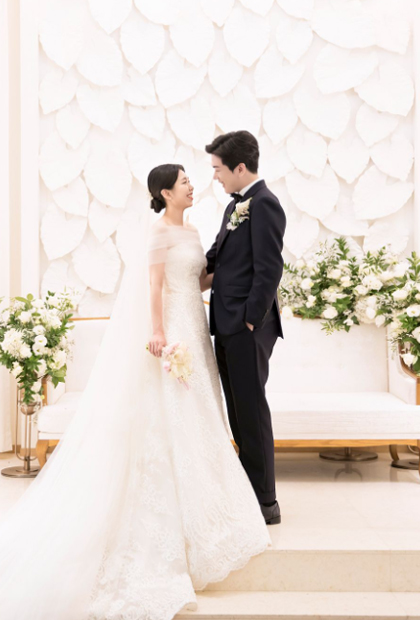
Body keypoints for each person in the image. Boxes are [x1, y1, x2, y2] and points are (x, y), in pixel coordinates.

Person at [0, 163, 270, 620]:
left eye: (191, 180)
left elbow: (197, 280)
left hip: (195, 324)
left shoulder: (193, 231)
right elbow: (155, 284)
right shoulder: (158, 232)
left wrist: (231, 271)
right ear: (165, 193)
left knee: (200, 409)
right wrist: (159, 331)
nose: (192, 185)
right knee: (172, 409)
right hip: (172, 327)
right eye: (184, 182)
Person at [204, 131, 287, 526]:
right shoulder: (233, 206)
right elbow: (216, 258)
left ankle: (266, 502)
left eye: (218, 169)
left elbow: (270, 269)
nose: (215, 176)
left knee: (251, 411)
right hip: (226, 323)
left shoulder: (265, 204)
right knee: (238, 412)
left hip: (247, 326)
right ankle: (249, 494)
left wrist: (250, 318)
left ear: (240, 168)